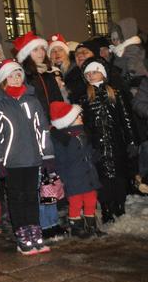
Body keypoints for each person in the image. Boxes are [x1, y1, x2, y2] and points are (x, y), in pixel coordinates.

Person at [0, 60, 53, 255]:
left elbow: (42, 129)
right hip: (12, 161)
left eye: (18, 74)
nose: (16, 78)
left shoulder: (32, 101)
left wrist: (48, 154)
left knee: (32, 196)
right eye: (11, 75)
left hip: (33, 157)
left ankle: (35, 230)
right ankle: (22, 233)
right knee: (17, 197)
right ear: (3, 80)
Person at [80, 59, 136, 223]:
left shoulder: (115, 93)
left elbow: (126, 118)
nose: (91, 76)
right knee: (102, 177)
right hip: (97, 144)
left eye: (94, 72)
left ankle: (120, 204)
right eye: (88, 74)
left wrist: (131, 140)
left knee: (118, 175)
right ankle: (106, 207)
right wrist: (88, 145)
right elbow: (85, 124)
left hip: (116, 142)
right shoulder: (85, 98)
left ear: (103, 74)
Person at [50, 102, 101, 238]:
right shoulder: (63, 139)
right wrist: (65, 179)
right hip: (73, 178)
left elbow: (88, 151)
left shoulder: (83, 133)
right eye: (78, 115)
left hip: (88, 174)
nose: (81, 117)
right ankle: (77, 228)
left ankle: (91, 226)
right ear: (69, 120)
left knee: (91, 200)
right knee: (76, 203)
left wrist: (96, 155)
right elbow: (60, 162)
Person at [13, 31, 64, 117]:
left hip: (55, 120)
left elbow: (58, 98)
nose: (41, 53)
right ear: (27, 54)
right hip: (36, 121)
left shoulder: (48, 72)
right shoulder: (23, 76)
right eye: (35, 50)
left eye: (42, 49)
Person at [109, 17, 147, 87]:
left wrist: (131, 72)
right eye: (113, 39)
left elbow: (133, 61)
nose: (115, 41)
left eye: (118, 38)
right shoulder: (117, 49)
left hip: (138, 79)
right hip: (127, 82)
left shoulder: (132, 47)